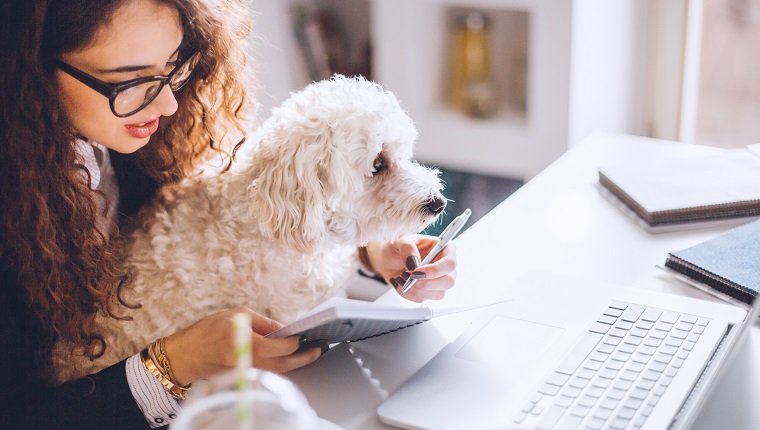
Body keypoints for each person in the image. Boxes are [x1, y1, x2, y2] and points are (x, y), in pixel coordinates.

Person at [0, 0, 458, 428]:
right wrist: (172, 362)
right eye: (131, 80)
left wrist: (369, 250)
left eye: (172, 66)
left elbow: (255, 223)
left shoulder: (150, 133)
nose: (169, 105)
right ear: (32, 69)